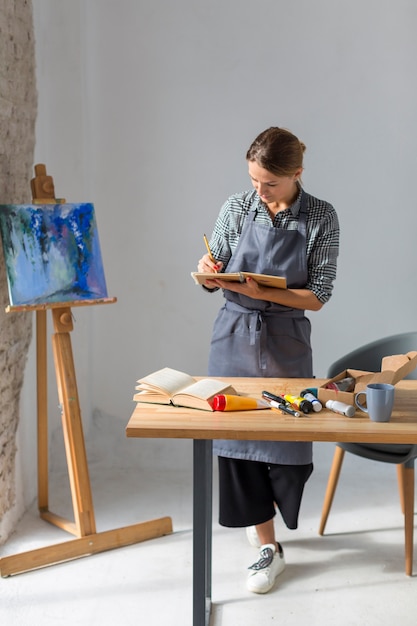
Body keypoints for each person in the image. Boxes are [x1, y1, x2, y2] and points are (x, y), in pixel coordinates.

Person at [197, 127, 339, 594]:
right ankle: (266, 546)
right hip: (234, 334)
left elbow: (318, 295)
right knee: (237, 443)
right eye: (254, 180)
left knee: (287, 442)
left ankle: (269, 518)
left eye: (270, 184)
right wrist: (209, 271)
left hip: (286, 338)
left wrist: (266, 293)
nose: (259, 192)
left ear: (297, 173)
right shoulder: (237, 207)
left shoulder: (321, 217)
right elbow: (210, 270)